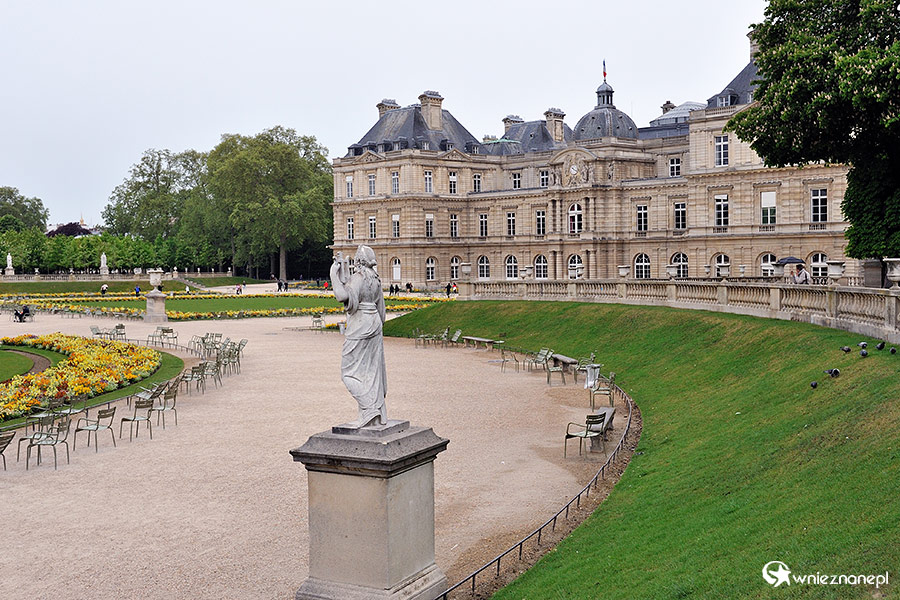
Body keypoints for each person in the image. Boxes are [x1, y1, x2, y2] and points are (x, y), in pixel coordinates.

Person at [330, 246, 387, 428]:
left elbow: (341, 296)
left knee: (348, 372)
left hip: (360, 325)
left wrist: (333, 274)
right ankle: (375, 414)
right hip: (375, 323)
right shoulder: (376, 280)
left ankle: (369, 408)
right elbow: (382, 312)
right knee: (372, 371)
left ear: (358, 261)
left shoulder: (359, 277)